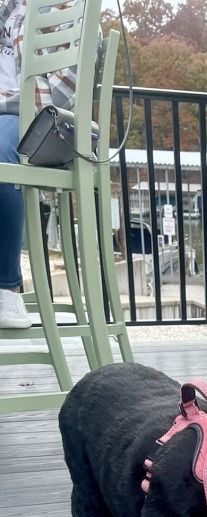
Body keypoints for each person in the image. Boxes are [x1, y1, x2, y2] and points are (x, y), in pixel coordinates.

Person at [0, 0, 76, 328]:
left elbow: (67, 84)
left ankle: (6, 288)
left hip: (37, 117)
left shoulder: (52, 7)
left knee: (2, 148)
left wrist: (10, 104)